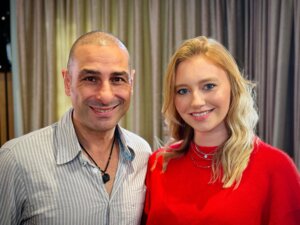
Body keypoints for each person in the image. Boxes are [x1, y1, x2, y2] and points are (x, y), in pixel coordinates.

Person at [142, 36, 300, 225]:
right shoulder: (158, 164)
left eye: (209, 86)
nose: (197, 102)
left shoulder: (277, 168)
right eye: (183, 91)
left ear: (233, 88)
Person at [0, 31, 151, 225]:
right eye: (90, 79)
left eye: (117, 79)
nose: (105, 95)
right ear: (67, 81)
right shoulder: (15, 160)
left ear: (131, 82)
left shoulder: (143, 155)